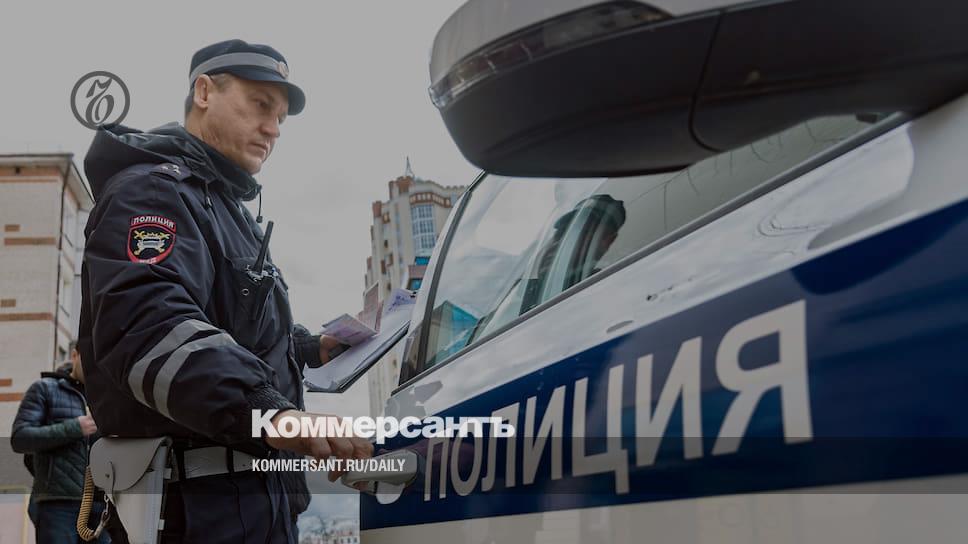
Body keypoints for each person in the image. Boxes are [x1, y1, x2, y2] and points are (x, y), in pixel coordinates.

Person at [79, 39, 372, 544]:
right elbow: (147, 327)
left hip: (258, 502)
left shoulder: (225, 209)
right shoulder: (153, 192)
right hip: (196, 509)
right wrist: (271, 411)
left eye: (280, 118)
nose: (273, 129)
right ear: (204, 92)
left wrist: (308, 347)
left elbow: (230, 326)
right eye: (260, 105)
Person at [11, 343, 110, 543]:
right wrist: (74, 428)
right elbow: (20, 438)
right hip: (58, 505)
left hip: (103, 505)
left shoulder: (108, 397)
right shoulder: (44, 389)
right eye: (88, 358)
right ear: (74, 355)